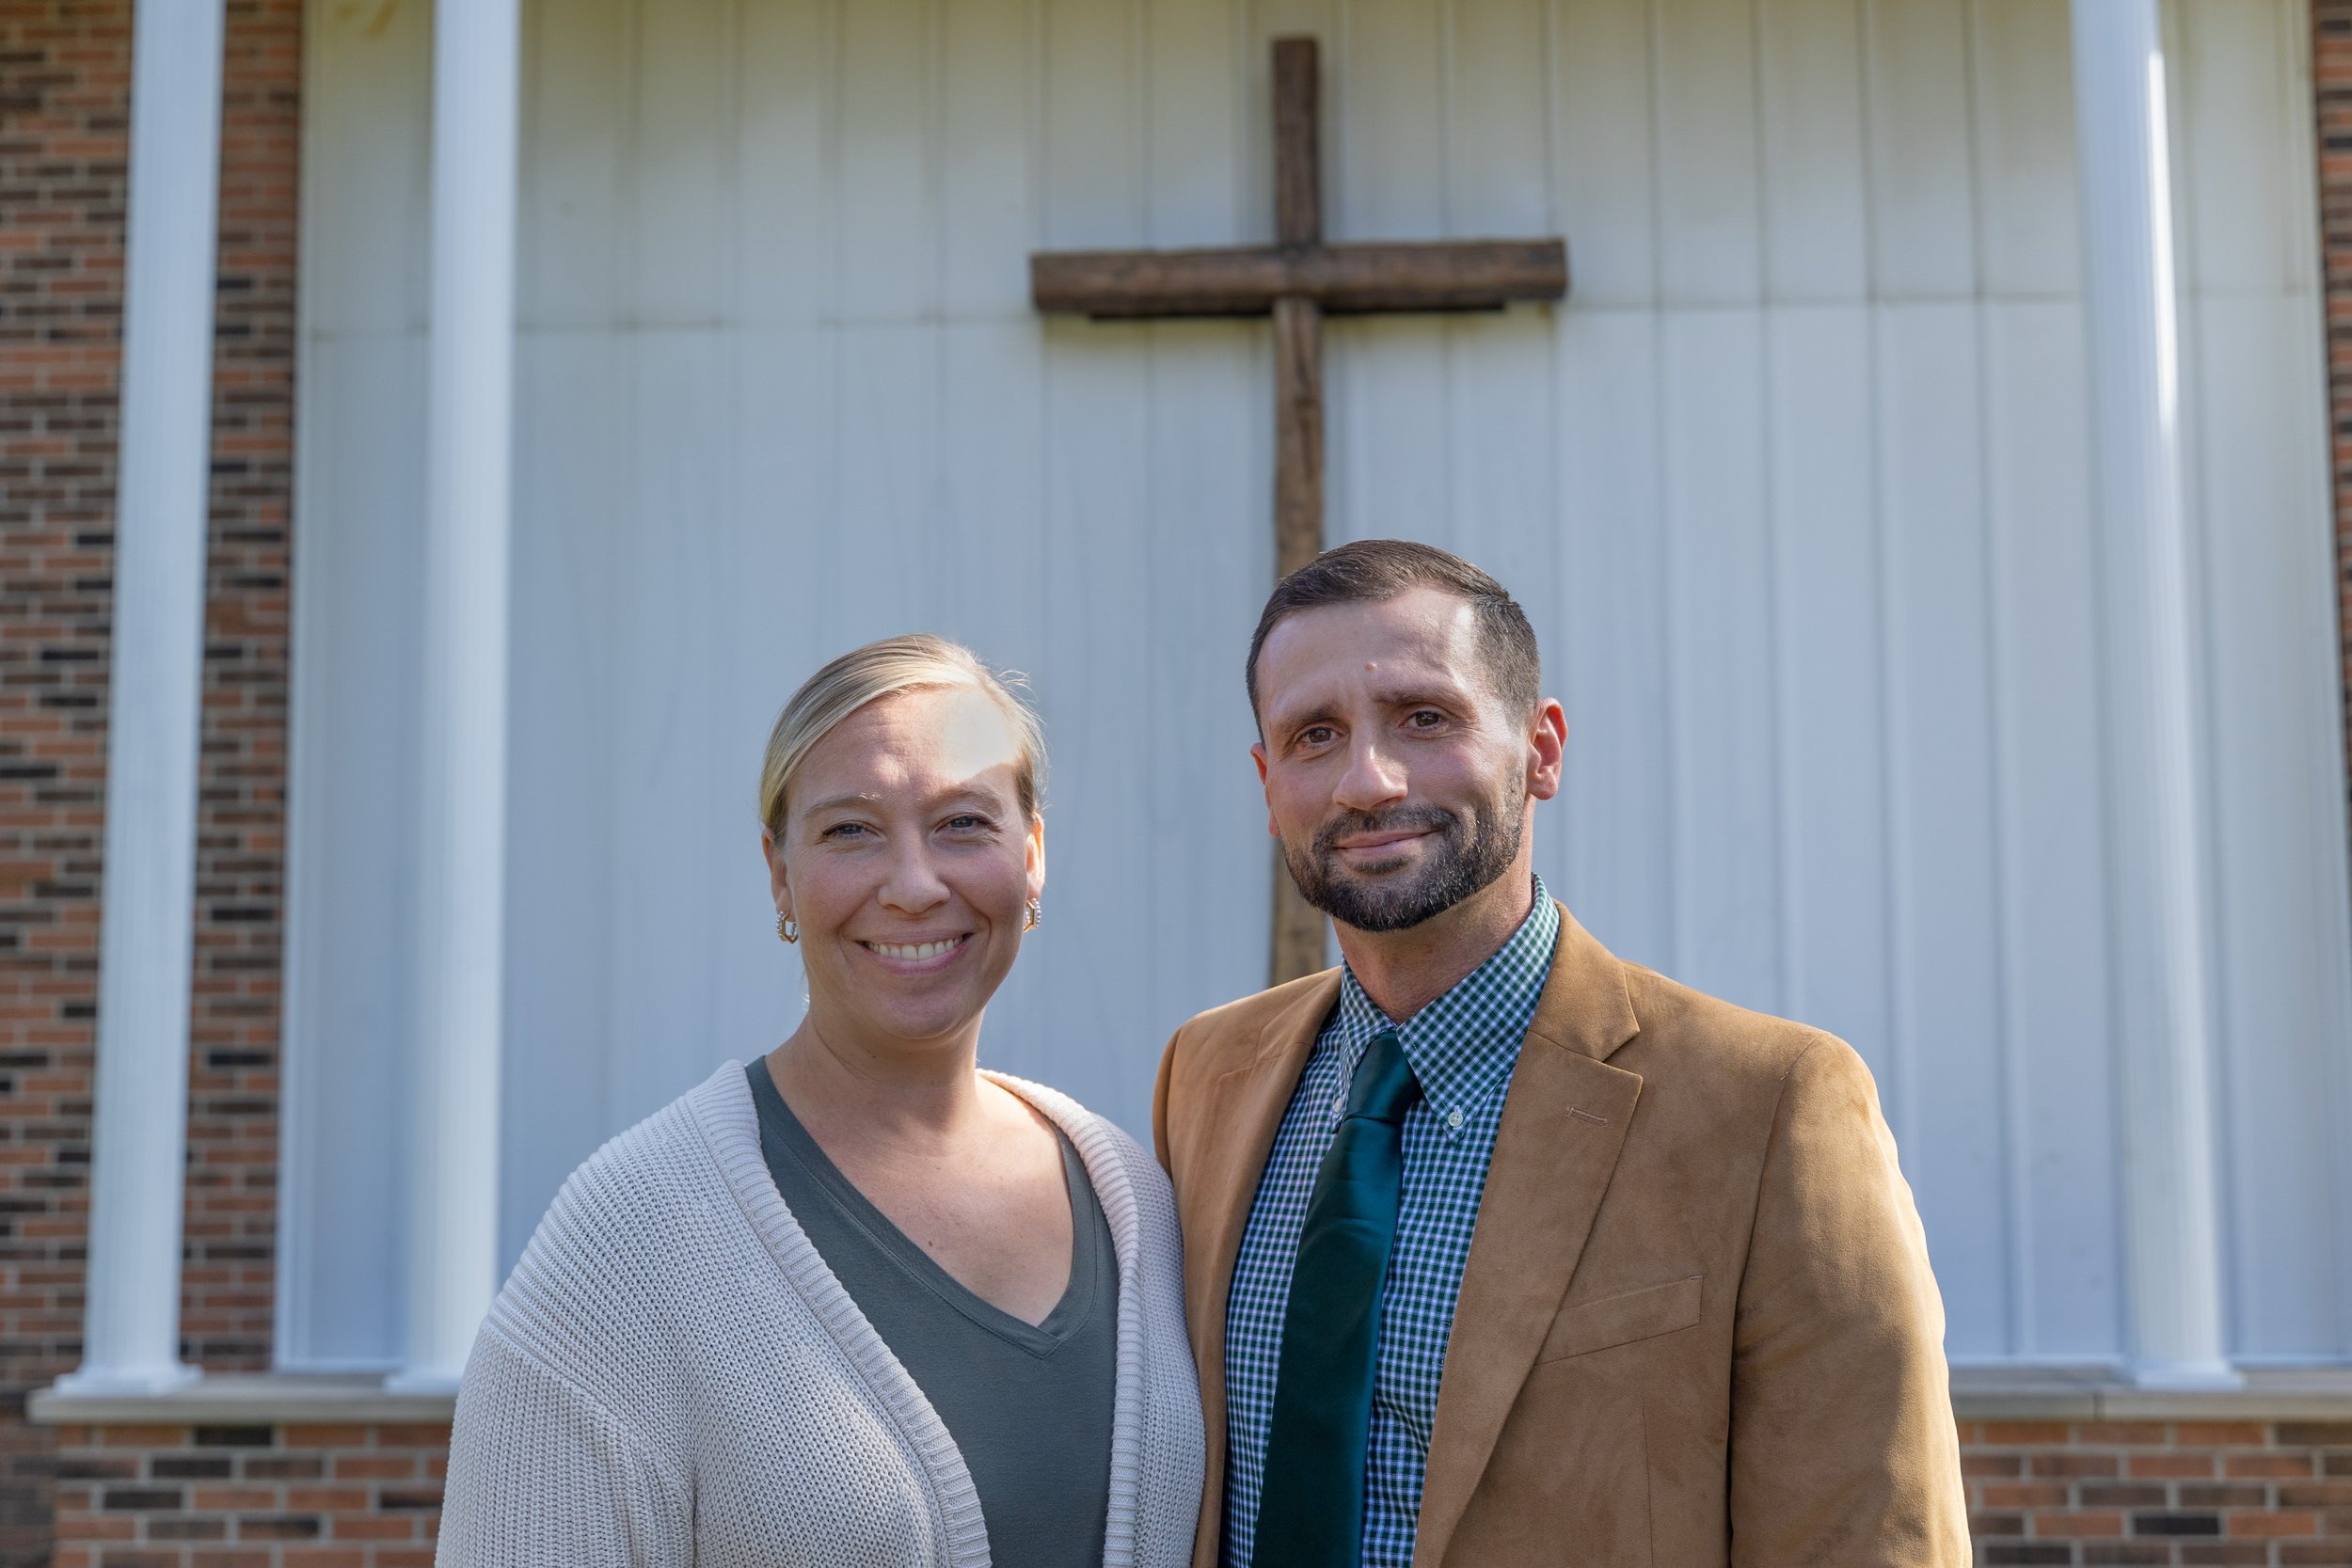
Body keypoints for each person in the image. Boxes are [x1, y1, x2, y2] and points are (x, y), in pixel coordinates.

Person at [1153, 540, 1969, 1568]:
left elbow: (1864, 1539)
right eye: (1314, 735)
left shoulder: (1770, 1107)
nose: (1367, 779)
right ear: (1270, 784)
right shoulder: (1205, 1075)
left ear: (1540, 748)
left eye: (1424, 716)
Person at [438, 635, 1204, 1568]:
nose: (917, 884)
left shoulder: (1137, 1196)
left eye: (963, 821)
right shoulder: (626, 1242)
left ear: (1033, 851)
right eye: (850, 829)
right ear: (779, 871)